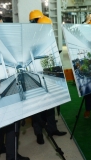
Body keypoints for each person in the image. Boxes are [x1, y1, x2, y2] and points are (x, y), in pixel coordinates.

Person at [0, 13, 30, 160]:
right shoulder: (0, 43)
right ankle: (12, 156)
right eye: (1, 22)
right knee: (12, 120)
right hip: (4, 85)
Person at [29, 10, 67, 144]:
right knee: (37, 107)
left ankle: (52, 129)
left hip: (49, 73)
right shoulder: (30, 39)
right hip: (35, 77)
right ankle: (39, 133)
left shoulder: (48, 37)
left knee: (51, 103)